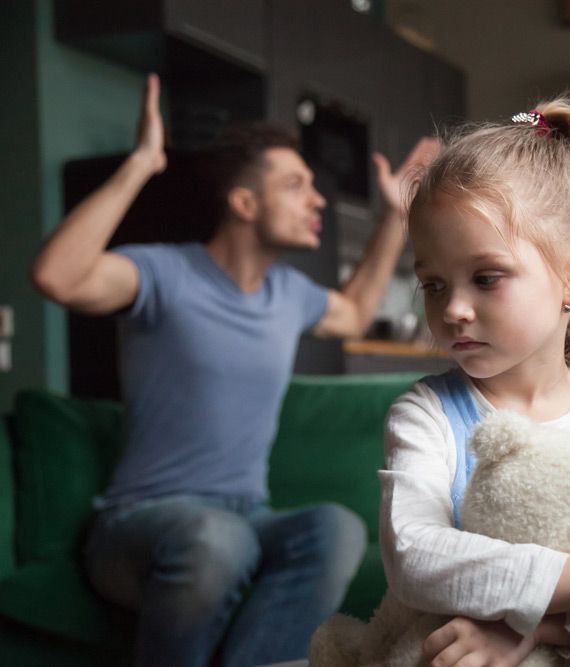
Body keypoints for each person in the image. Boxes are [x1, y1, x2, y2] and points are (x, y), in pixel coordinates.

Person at [31, 73, 440, 667]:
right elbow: (57, 277)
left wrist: (395, 216)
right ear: (245, 203)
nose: (318, 199)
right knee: (216, 541)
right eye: (296, 186)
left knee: (336, 529)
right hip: (138, 525)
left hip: (247, 517)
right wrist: (143, 163)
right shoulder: (164, 275)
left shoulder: (287, 292)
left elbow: (352, 313)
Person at [379, 100, 570, 667]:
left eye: (486, 278)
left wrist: (539, 635)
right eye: (434, 285)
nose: (456, 309)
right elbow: (413, 554)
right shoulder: (425, 413)